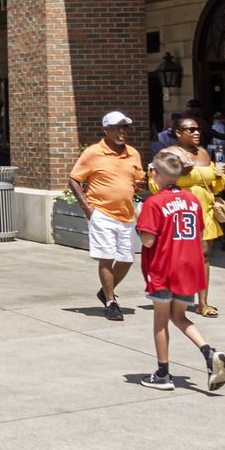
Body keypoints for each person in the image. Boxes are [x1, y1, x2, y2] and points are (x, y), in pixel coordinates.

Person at [136, 151, 225, 390]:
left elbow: (147, 241)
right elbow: (197, 232)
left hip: (164, 267)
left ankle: (162, 374)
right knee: (180, 316)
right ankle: (209, 353)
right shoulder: (191, 199)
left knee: (160, 321)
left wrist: (139, 221)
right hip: (189, 267)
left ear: (156, 175)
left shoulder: (154, 202)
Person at [68, 111, 148, 321]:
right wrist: (87, 209)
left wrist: (140, 186)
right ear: (106, 130)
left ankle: (105, 291)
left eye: (125, 127)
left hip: (126, 213)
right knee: (107, 257)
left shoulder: (133, 153)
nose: (122, 131)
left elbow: (137, 184)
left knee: (127, 259)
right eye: (117, 127)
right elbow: (74, 180)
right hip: (101, 212)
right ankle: (111, 302)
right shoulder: (93, 153)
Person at [152, 115, 225, 318]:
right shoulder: (167, 153)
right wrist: (180, 172)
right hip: (178, 212)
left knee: (204, 255)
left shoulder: (203, 153)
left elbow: (214, 185)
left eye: (197, 129)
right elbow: (154, 184)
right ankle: (170, 297)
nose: (196, 132)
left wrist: (220, 174)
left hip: (203, 210)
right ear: (178, 133)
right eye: (190, 129)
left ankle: (203, 303)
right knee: (177, 257)